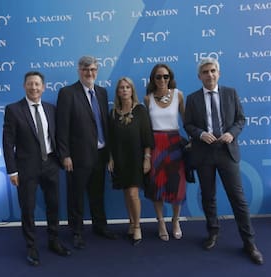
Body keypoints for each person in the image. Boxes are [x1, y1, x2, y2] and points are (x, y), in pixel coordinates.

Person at [183, 57, 264, 265]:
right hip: (204, 153)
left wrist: (232, 133)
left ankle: (249, 243)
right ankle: (212, 232)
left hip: (227, 151)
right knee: (208, 197)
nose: (209, 75)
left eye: (212, 71)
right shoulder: (192, 99)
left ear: (218, 73)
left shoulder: (231, 93)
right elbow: (188, 124)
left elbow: (241, 120)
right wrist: (200, 134)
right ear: (199, 76)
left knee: (238, 198)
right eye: (205, 72)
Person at [2, 71, 71, 266]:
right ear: (24, 86)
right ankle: (31, 247)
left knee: (54, 205)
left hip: (50, 164)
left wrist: (63, 157)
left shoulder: (51, 108)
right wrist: (12, 171)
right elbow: (8, 143)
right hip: (26, 168)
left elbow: (58, 137)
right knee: (28, 209)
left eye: (37, 84)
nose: (34, 87)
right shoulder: (13, 110)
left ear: (44, 87)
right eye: (30, 84)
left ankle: (53, 240)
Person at [56, 55, 118, 250]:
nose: (89, 73)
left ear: (97, 71)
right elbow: (62, 126)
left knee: (97, 194)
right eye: (85, 70)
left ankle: (100, 226)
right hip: (77, 157)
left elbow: (104, 124)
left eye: (92, 70)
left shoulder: (101, 92)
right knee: (76, 196)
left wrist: (109, 154)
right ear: (79, 71)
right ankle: (77, 232)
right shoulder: (67, 93)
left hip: (100, 154)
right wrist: (65, 155)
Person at [107, 77, 154, 246]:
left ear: (132, 90)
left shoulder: (140, 110)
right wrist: (111, 158)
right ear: (118, 92)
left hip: (136, 158)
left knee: (134, 193)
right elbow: (110, 139)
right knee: (126, 193)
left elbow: (147, 136)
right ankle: (131, 222)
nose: (124, 90)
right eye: (121, 88)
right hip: (120, 158)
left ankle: (137, 226)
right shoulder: (113, 113)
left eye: (127, 87)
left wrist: (147, 158)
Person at [144, 64, 186, 241]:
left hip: (174, 144)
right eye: (158, 77)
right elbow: (145, 128)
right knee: (157, 185)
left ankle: (176, 221)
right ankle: (161, 221)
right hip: (155, 145)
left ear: (170, 78)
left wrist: (194, 141)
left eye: (165, 77)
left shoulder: (178, 95)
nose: (162, 80)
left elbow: (187, 121)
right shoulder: (148, 99)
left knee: (177, 185)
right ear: (153, 79)